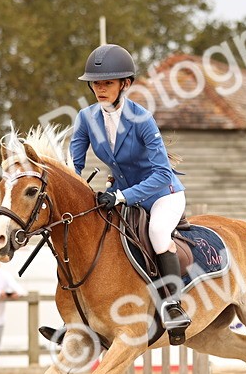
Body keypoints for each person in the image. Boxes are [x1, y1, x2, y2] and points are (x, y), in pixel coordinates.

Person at [69, 43, 190, 340]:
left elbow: (162, 173)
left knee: (159, 234)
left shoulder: (142, 120)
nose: (100, 89)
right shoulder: (86, 119)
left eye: (107, 83)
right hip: (120, 193)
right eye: (96, 83)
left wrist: (121, 196)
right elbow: (74, 164)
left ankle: (173, 305)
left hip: (163, 194)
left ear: (125, 84)